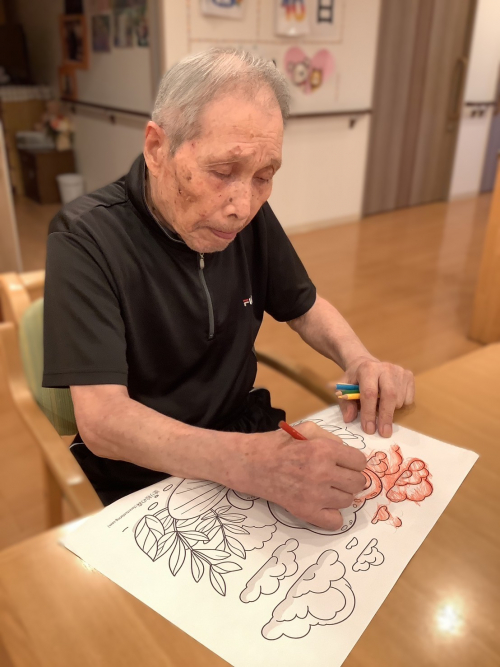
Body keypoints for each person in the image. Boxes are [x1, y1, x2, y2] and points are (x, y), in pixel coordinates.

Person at [43, 48, 414, 528]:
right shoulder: (85, 237)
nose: (243, 206)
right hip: (142, 470)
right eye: (222, 172)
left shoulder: (247, 216)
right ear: (157, 149)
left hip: (243, 428)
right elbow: (103, 421)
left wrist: (359, 359)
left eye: (265, 177)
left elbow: (304, 306)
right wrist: (253, 463)